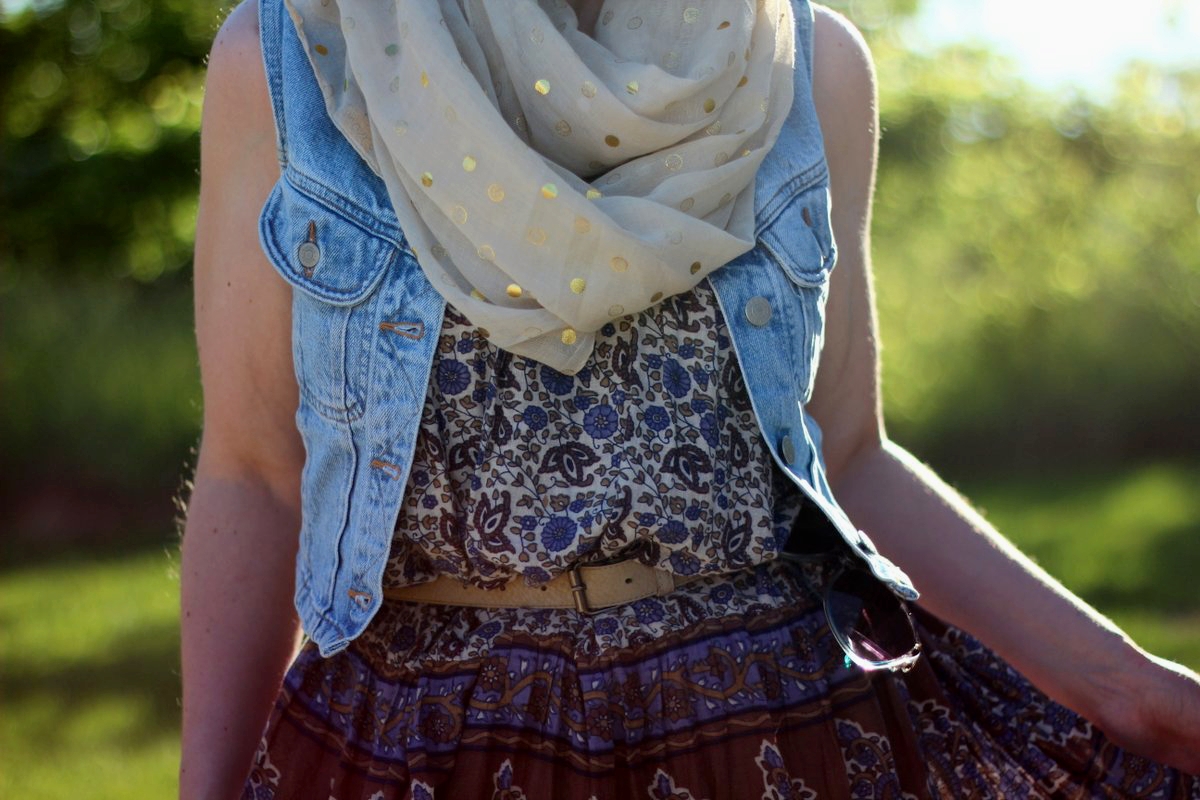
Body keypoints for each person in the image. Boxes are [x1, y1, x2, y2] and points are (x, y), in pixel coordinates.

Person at [181, 0, 1200, 797]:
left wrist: (1125, 686)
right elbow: (255, 475)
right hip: (416, 748)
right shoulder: (293, 60)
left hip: (780, 733)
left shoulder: (810, 66)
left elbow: (847, 456)